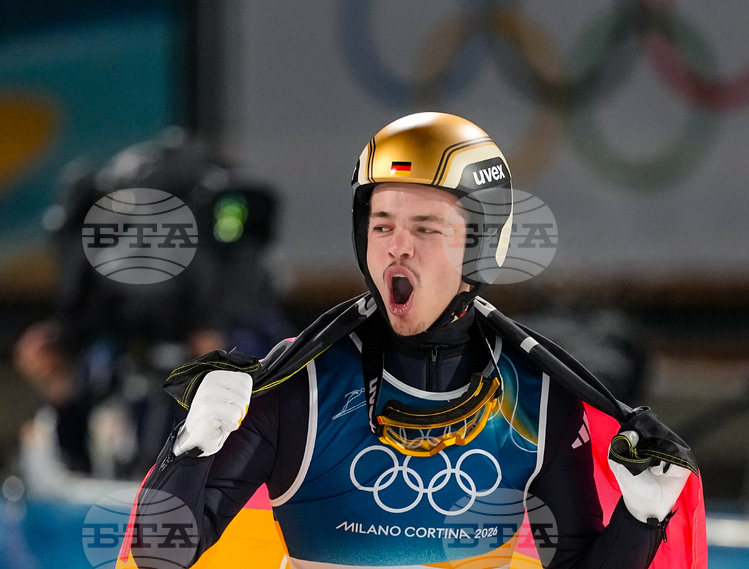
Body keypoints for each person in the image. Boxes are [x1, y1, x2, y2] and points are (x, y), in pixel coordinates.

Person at [129, 113, 699, 569]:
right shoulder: (300, 383)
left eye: (425, 227)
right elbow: (160, 555)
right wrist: (191, 446)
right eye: (382, 225)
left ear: (483, 246)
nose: (396, 246)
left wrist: (641, 518)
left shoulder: (539, 394)